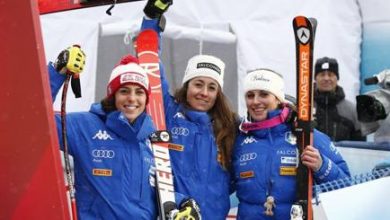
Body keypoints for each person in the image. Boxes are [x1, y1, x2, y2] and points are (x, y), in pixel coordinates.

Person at [48, 45, 198, 219]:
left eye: (139, 92)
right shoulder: (85, 126)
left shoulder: (152, 140)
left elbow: (151, 194)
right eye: (124, 91)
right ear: (113, 95)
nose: (132, 98)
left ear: (146, 98)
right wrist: (57, 71)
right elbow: (36, 122)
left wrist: (183, 203)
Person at [140, 2, 238, 219]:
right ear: (187, 85)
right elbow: (150, 63)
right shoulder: (168, 110)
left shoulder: (228, 126)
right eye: (198, 84)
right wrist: (151, 20)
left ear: (218, 93)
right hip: (175, 214)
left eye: (211, 87)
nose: (204, 92)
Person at [232, 68, 351, 219]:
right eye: (250, 95)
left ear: (278, 98)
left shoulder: (305, 133)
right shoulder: (240, 138)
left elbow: (346, 184)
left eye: (263, 94)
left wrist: (322, 166)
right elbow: (220, 186)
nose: (255, 101)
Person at [313, 56, 365, 141]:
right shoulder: (304, 108)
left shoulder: (352, 111)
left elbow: (360, 147)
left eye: (330, 74)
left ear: (337, 78)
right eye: (322, 75)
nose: (326, 78)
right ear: (315, 78)